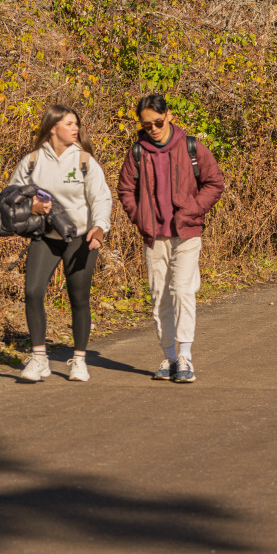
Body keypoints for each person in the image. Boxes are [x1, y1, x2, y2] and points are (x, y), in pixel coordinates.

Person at [117, 94, 225, 383]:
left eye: (157, 122)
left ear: (169, 116)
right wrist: (139, 216)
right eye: (146, 124)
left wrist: (193, 208)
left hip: (186, 233)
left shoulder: (192, 147)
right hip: (154, 237)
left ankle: (186, 356)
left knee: (182, 291)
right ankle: (169, 357)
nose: (153, 129)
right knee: (159, 297)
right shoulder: (138, 152)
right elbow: (126, 189)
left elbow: (214, 183)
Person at [10, 105, 112, 383]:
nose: (75, 128)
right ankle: (39, 358)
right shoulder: (31, 161)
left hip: (80, 238)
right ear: (53, 127)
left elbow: (101, 198)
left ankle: (78, 360)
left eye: (76, 123)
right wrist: (32, 206)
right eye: (69, 124)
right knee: (33, 292)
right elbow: (11, 197)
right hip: (45, 236)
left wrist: (100, 227)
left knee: (78, 298)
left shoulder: (84, 161)